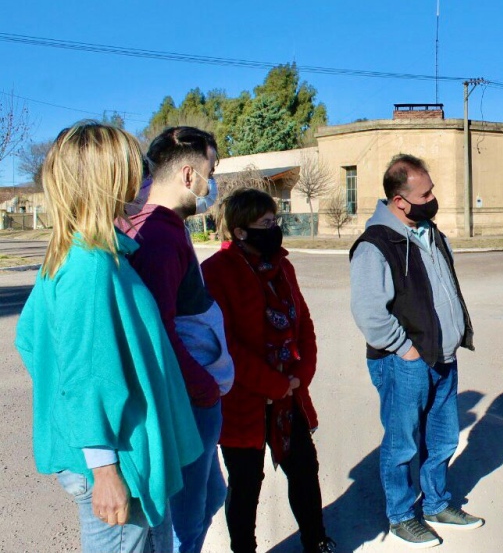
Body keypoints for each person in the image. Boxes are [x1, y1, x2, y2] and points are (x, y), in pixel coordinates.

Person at [14, 121, 202, 553]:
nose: (141, 178)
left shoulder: (83, 251)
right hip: (117, 461)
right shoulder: (90, 265)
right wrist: (105, 470)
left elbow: (30, 340)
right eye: (131, 167)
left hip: (118, 453)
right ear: (105, 178)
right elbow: (82, 374)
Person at [349, 154, 483, 549]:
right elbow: (369, 314)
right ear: (399, 201)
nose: (433, 197)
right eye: (425, 193)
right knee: (403, 442)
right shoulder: (375, 244)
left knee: (442, 438)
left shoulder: (431, 233)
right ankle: (402, 515)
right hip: (404, 362)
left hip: (443, 357)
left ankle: (438, 502)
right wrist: (405, 349)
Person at [119, 126, 234, 553]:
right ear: (189, 175)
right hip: (189, 401)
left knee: (209, 500)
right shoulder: (161, 237)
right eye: (211, 170)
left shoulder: (159, 225)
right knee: (188, 518)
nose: (212, 183)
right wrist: (204, 389)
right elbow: (158, 332)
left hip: (193, 398)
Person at [201, 188, 336, 553]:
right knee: (245, 485)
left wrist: (300, 376)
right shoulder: (216, 272)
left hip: (288, 396)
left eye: (274, 221)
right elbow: (224, 344)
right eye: (265, 223)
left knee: (304, 470)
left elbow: (302, 322)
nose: (274, 228)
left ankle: (316, 539)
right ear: (240, 230)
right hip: (242, 400)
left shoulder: (282, 265)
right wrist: (274, 383)